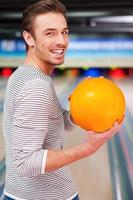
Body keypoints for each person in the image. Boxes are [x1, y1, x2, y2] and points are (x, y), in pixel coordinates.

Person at [2, 0, 124, 200]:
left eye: (64, 32)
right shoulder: (36, 86)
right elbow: (25, 163)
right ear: (29, 38)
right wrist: (88, 148)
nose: (62, 41)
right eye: (50, 33)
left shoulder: (26, 75)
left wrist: (81, 106)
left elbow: (54, 125)